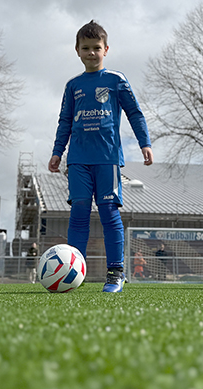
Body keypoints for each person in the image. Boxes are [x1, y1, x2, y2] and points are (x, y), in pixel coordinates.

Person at [48, 20, 153, 293]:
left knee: (108, 211)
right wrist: (58, 152)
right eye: (86, 48)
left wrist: (144, 142)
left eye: (96, 47)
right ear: (77, 51)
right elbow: (65, 121)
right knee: (79, 211)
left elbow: (135, 113)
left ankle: (116, 273)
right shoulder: (73, 86)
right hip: (78, 159)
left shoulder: (116, 80)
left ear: (106, 49)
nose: (91, 53)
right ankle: (73, 272)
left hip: (107, 158)